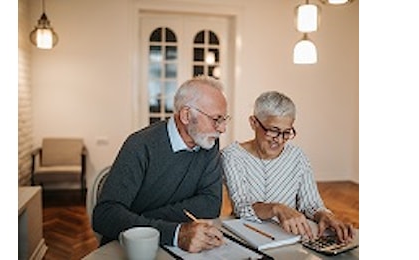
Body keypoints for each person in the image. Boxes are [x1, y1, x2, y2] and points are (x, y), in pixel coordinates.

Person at [92, 75, 231, 253]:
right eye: (216, 119)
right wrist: (174, 232)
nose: (222, 129)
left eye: (224, 119)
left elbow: (211, 204)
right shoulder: (140, 145)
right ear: (186, 115)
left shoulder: (209, 143)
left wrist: (143, 219)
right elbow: (105, 215)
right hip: (131, 249)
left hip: (177, 246)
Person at [221, 91, 354, 243]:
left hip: (291, 237)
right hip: (248, 237)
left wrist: (324, 215)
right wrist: (277, 209)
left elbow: (311, 204)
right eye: (273, 131)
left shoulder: (297, 156)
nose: (279, 140)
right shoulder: (232, 156)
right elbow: (242, 207)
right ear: (253, 123)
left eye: (286, 133)